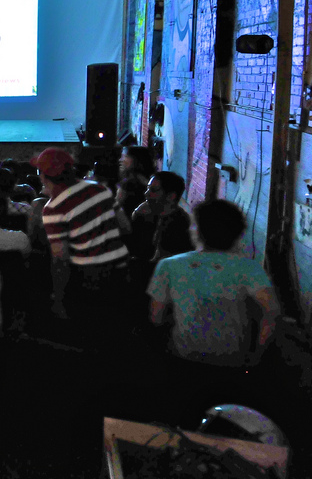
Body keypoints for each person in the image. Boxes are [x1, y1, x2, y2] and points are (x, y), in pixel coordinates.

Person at [148, 199, 279, 368]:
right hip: (233, 359)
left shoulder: (169, 265)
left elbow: (156, 317)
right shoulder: (249, 268)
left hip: (183, 357)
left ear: (197, 231)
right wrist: (256, 355)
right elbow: (272, 313)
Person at [34, 147, 129, 320]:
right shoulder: (99, 188)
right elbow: (125, 227)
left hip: (89, 277)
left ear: (43, 175)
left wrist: (58, 298)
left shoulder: (53, 208)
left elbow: (60, 258)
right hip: (122, 270)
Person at [130, 171, 192, 264]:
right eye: (148, 188)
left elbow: (160, 263)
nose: (146, 194)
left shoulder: (179, 225)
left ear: (171, 196)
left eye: (153, 190)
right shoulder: (148, 214)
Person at [118, 146, 156, 217]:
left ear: (136, 159)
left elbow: (117, 205)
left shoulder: (130, 183)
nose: (121, 160)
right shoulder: (151, 180)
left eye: (125, 156)